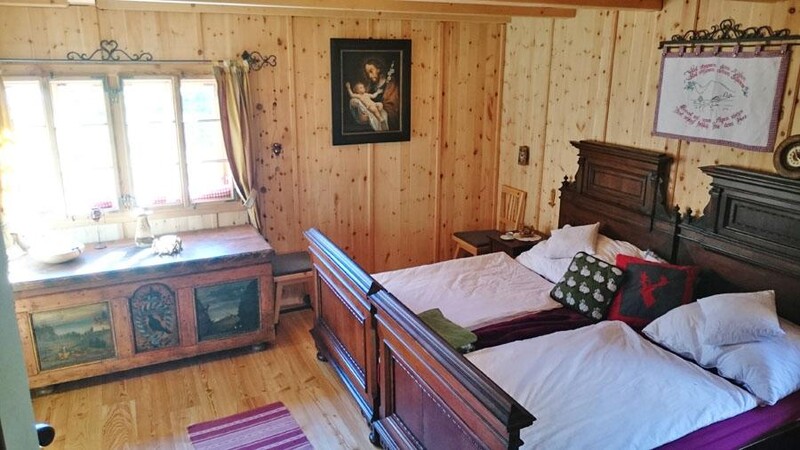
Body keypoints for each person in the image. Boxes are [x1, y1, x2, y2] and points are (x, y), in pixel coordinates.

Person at [363, 57, 400, 131]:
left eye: (371, 71)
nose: (369, 76)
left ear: (378, 69)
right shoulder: (370, 86)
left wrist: (382, 106)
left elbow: (394, 107)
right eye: (367, 73)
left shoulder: (390, 84)